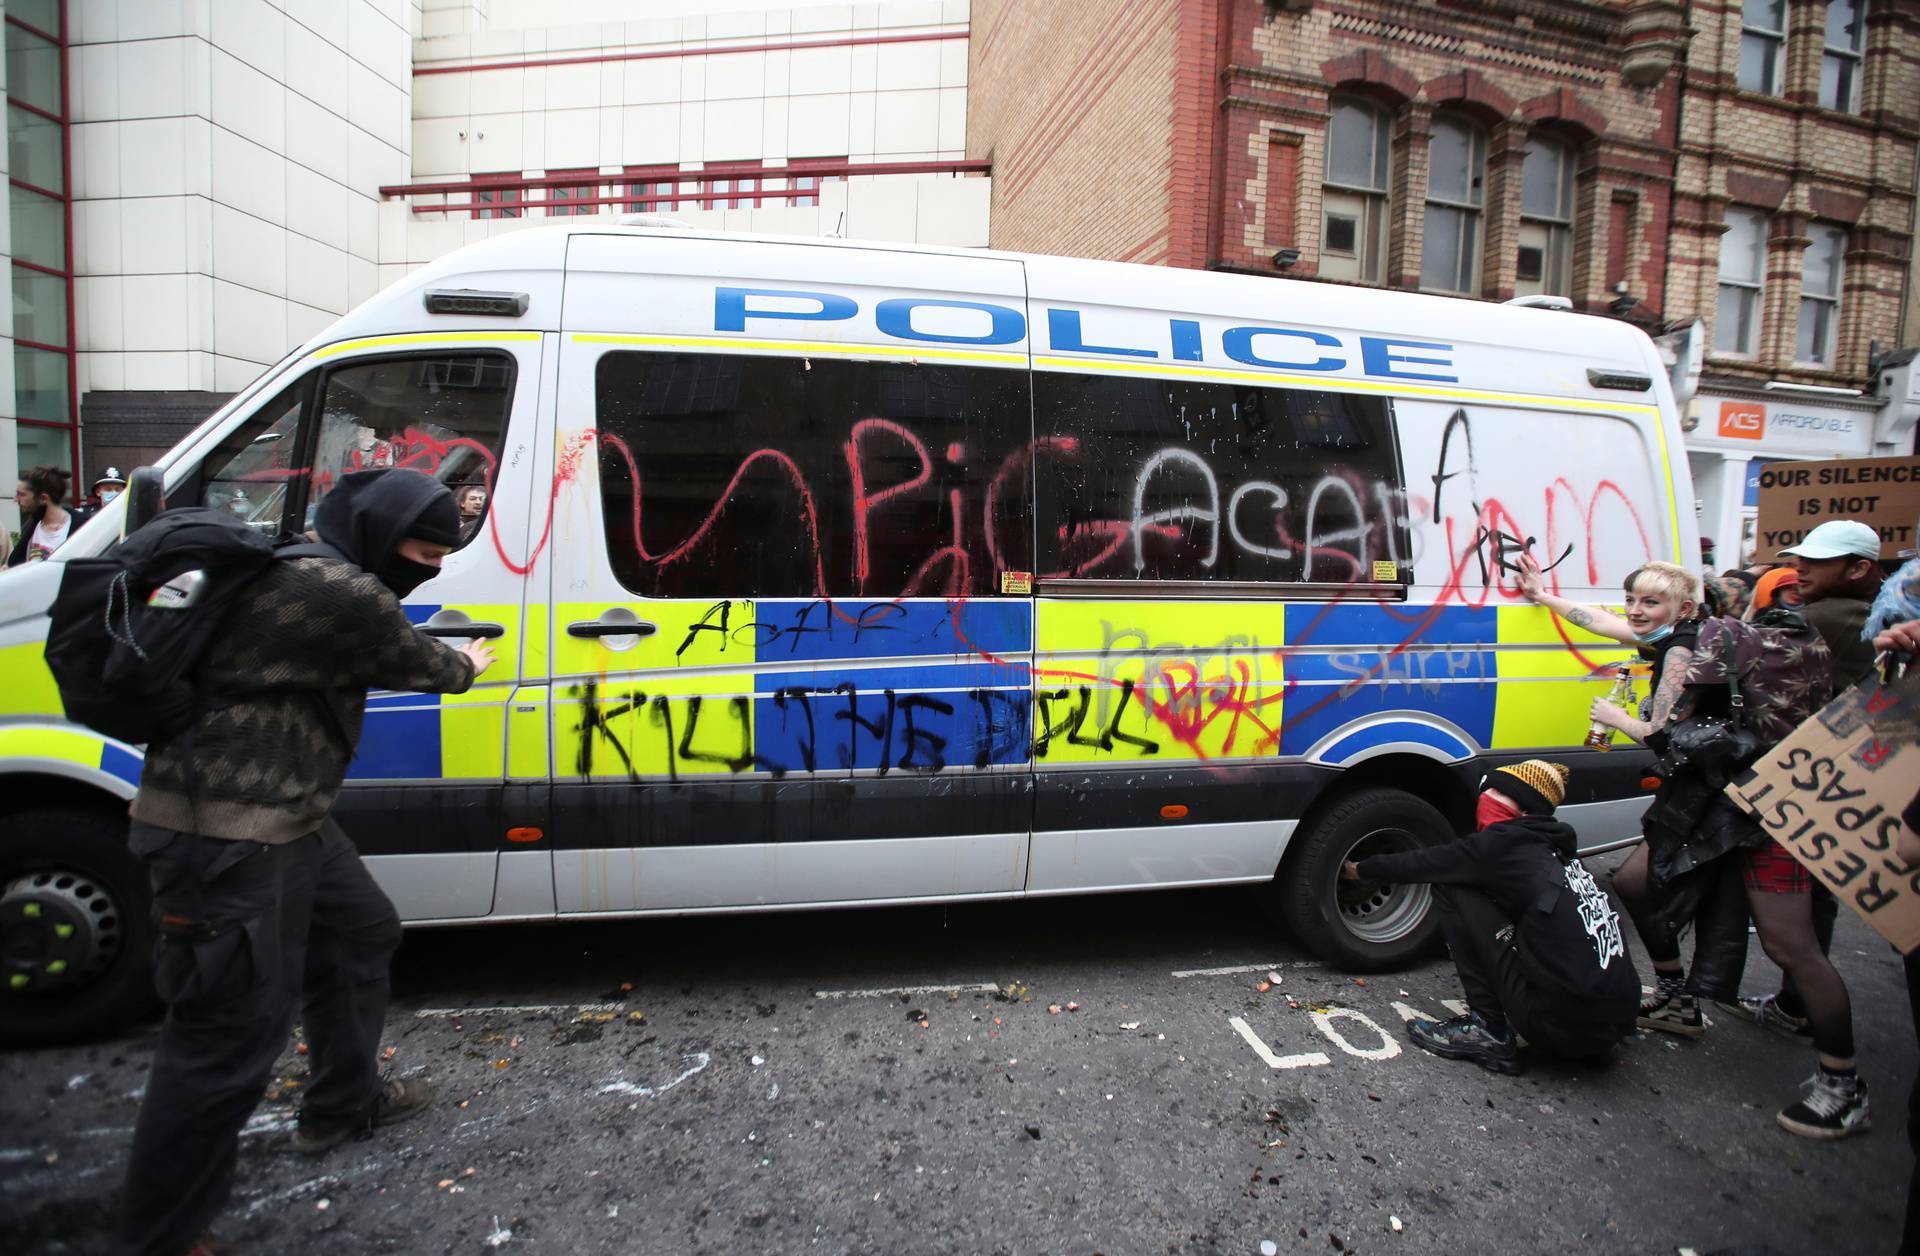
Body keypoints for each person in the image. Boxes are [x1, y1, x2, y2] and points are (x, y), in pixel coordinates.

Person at [115, 469, 493, 1256]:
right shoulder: (340, 593)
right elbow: (434, 669)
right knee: (223, 1041)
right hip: (224, 838)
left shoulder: (302, 562)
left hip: (287, 819)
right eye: (423, 551)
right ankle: (161, 1235)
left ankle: (342, 1101)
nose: (428, 567)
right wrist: (473, 661)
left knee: (361, 932)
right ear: (384, 535)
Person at [1514, 554, 1745, 1034]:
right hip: (1698, 792)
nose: (1636, 610)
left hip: (1708, 798)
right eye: (1632, 600)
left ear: (1682, 609)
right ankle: (1678, 996)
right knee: (1643, 885)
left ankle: (1681, 997)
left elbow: (1661, 736)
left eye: (1650, 602)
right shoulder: (1670, 636)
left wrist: (1616, 719)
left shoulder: (1681, 651)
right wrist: (1541, 595)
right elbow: (1601, 623)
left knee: (1640, 885)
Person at [1341, 761, 1638, 1073]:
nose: (1487, 797)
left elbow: (1428, 862)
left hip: (1560, 1029)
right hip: (1611, 1029)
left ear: (1525, 808)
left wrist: (1359, 870)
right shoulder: (1559, 852)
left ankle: (1487, 1030)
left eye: (1499, 792)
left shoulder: (1503, 845)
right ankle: (1583, 1039)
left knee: (1451, 886)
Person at [1723, 519, 1887, 1040]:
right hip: (1851, 768)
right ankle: (1797, 1004)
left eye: (1817, 562)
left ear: (1858, 568)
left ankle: (1815, 1026)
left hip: (1820, 772)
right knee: (1818, 894)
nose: (1801, 569)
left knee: (1792, 922)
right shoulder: (1872, 610)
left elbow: (1732, 651)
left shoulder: (1829, 616)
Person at [8, 464, 90, 567]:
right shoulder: (31, 527)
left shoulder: (82, 528)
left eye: (21, 494)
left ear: (43, 498)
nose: (15, 499)